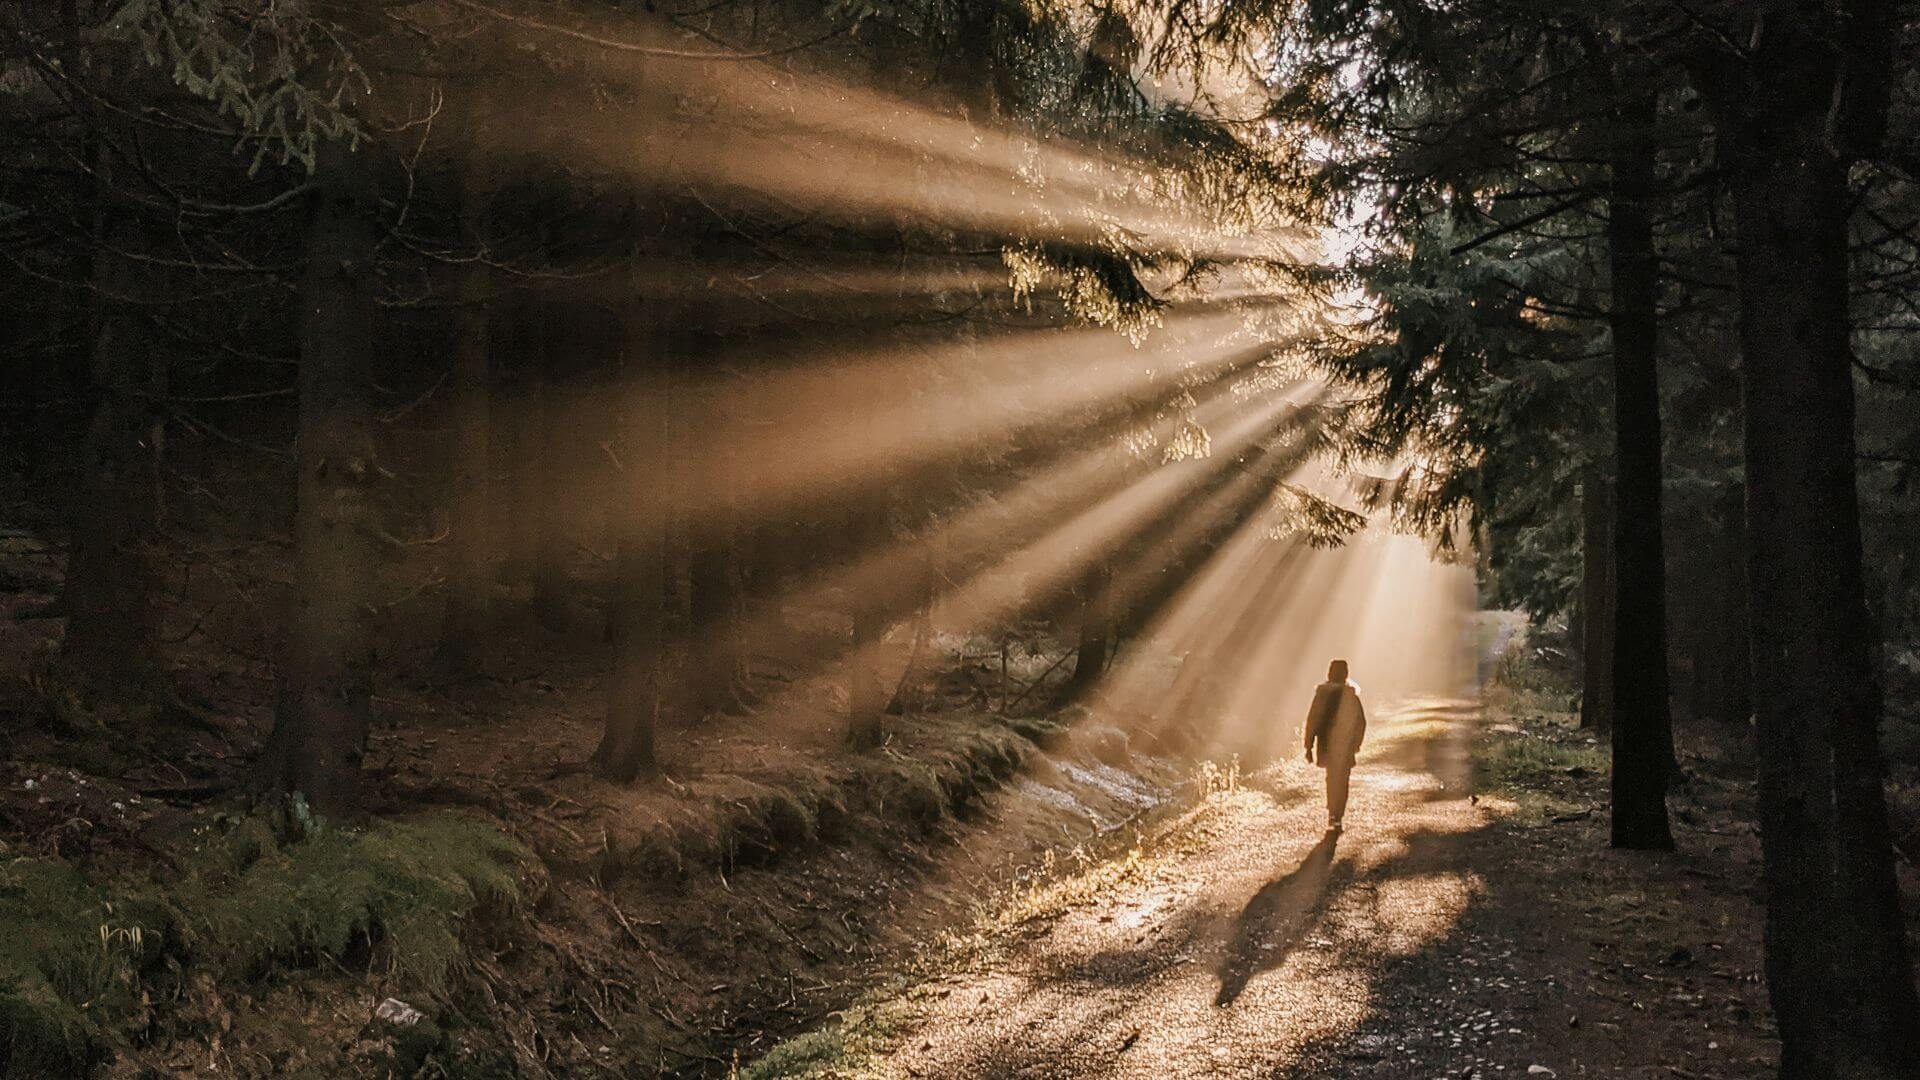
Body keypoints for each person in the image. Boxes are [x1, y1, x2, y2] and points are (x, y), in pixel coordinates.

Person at [1303, 659, 1366, 834]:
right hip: (1345, 746)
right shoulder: (1350, 695)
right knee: (1343, 780)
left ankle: (1332, 812)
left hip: (1327, 745)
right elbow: (1361, 722)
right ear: (1346, 674)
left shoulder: (1322, 694)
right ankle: (1338, 815)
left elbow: (1312, 720)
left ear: (1329, 673)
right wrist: (1356, 743)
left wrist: (1308, 746)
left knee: (1331, 778)